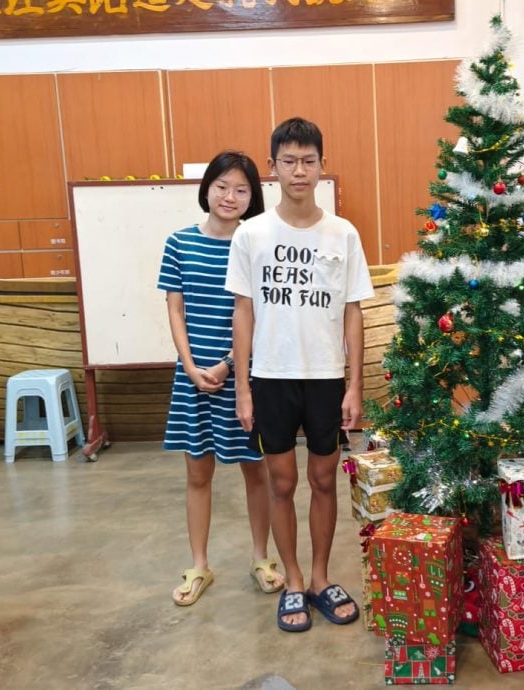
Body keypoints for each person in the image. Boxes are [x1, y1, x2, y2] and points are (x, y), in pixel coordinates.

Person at [226, 117, 374, 633]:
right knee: (283, 483)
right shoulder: (251, 234)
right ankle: (291, 581)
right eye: (288, 161)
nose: (299, 171)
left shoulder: (343, 233)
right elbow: (242, 312)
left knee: (324, 479)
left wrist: (354, 384)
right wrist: (243, 387)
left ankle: (318, 578)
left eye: (308, 161)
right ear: (272, 168)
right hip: (270, 375)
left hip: (326, 377)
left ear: (321, 166)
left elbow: (354, 311)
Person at [158, 150, 285, 606]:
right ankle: (199, 565)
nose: (229, 197)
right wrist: (191, 366)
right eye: (221, 186)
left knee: (257, 471)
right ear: (206, 189)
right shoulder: (179, 243)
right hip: (193, 377)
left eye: (241, 190)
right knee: (197, 473)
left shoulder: (255, 244)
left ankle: (261, 557)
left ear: (252, 197)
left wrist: (229, 364)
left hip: (246, 377)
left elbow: (257, 314)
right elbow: (175, 307)